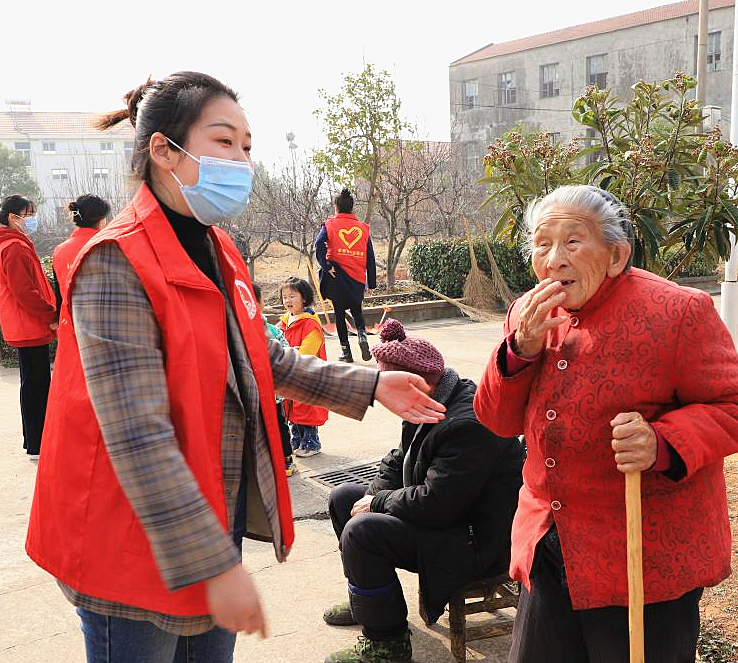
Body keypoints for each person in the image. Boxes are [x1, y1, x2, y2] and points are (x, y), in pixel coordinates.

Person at [25, 71, 445, 663]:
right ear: (163, 150)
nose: (242, 160)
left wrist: (373, 383)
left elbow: (262, 359)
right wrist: (213, 564)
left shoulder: (217, 247)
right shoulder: (114, 262)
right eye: (224, 142)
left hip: (208, 522)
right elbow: (137, 433)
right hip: (130, 540)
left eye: (247, 145)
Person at [473, 185, 738, 663]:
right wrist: (520, 348)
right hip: (550, 545)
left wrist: (662, 441)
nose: (554, 259)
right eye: (542, 244)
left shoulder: (676, 312)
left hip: (642, 563)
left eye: (573, 242)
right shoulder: (528, 314)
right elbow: (497, 419)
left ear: (615, 255)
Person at [323, 319, 524, 663]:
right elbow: (397, 459)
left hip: (476, 540)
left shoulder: (468, 422)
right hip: (447, 519)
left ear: (414, 382)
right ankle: (372, 605)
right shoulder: (431, 400)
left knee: (362, 532)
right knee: (345, 500)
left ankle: (387, 644)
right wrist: (371, 497)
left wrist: (380, 502)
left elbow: (438, 503)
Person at [0, 194, 56, 461]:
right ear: (13, 217)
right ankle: (37, 444)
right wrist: (50, 314)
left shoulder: (12, 244)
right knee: (37, 386)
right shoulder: (14, 247)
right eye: (28, 213)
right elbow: (25, 292)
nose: (31, 219)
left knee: (32, 384)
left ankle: (33, 442)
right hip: (29, 324)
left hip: (25, 324)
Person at [315, 188, 377, 363]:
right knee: (357, 311)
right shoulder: (363, 228)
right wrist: (371, 282)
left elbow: (318, 244)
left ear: (336, 207)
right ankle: (363, 336)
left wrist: (326, 266)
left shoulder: (329, 225)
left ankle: (346, 352)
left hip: (337, 277)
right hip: (357, 278)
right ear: (352, 207)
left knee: (339, 314)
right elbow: (370, 256)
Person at [277, 276, 328, 457]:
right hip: (290, 375)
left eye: (292, 296)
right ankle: (297, 442)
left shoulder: (310, 324)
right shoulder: (283, 323)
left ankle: (311, 444)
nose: (288, 300)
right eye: (284, 297)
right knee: (292, 411)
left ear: (304, 298)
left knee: (306, 412)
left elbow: (307, 352)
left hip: (307, 376)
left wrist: (290, 353)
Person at [252, 281, 296, 477]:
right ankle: (283, 460)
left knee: (274, 427)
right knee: (279, 427)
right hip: (273, 391)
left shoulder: (271, 330)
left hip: (265, 392)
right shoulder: (274, 330)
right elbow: (287, 353)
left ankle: (285, 460)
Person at [52, 194, 111, 313]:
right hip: (103, 322)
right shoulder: (108, 247)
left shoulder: (59, 250)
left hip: (69, 322)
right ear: (101, 220)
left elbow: (59, 295)